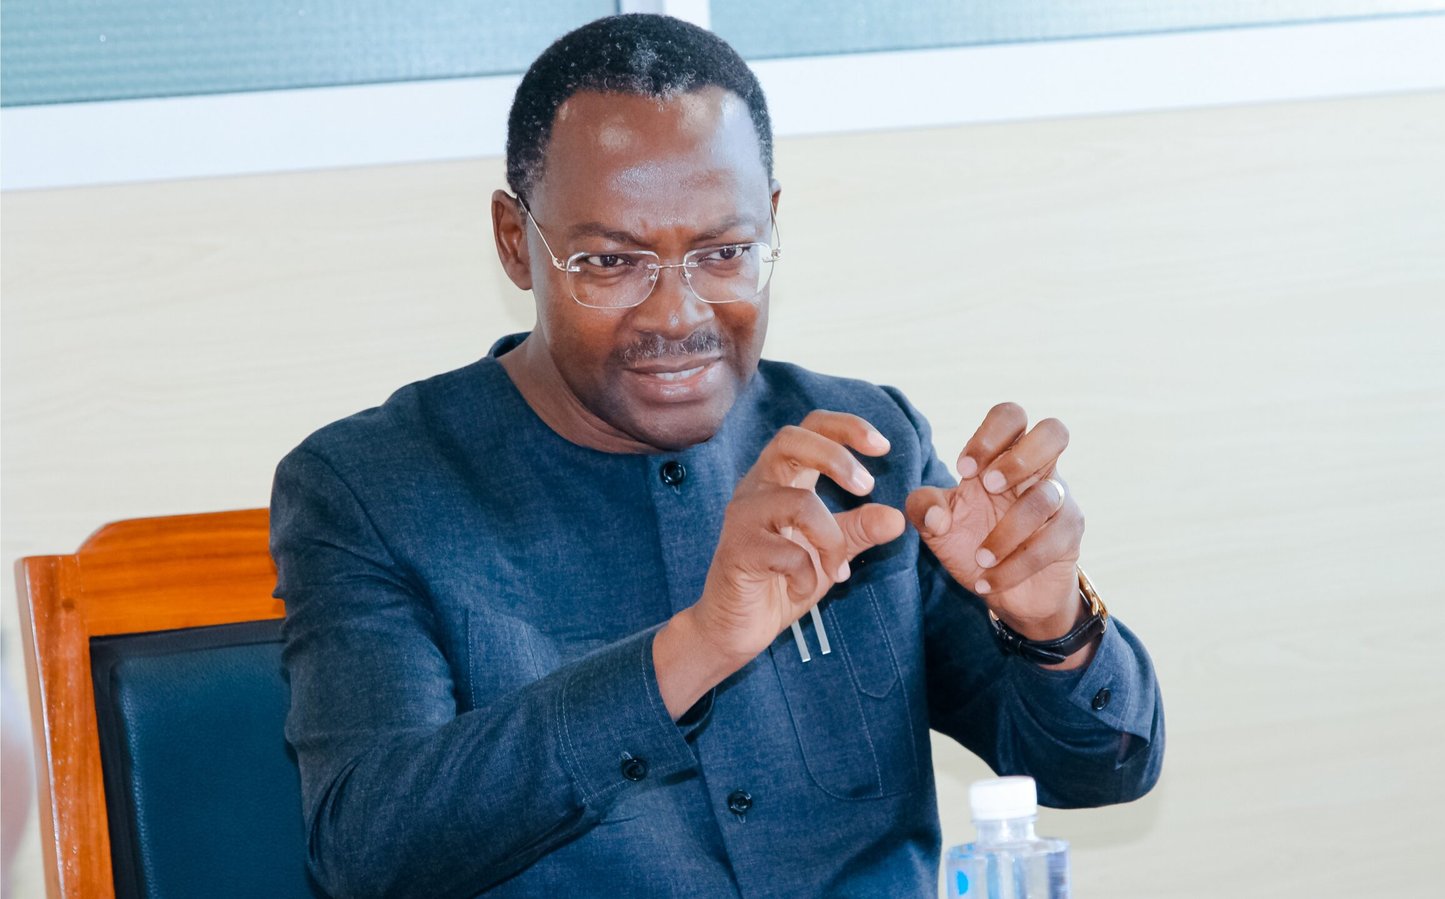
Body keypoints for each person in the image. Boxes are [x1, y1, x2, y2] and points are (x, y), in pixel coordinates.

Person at [269, 14, 1163, 899]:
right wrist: (693, 649)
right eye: (610, 263)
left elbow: (1101, 766)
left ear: (770, 222)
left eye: (725, 252)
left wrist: (1052, 626)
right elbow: (367, 852)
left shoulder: (862, 446)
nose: (677, 315)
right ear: (516, 242)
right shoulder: (373, 490)